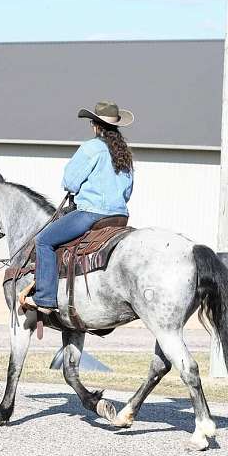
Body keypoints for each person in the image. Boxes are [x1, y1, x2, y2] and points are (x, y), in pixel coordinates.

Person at [25, 100, 135, 314]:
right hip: (120, 217)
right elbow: (128, 192)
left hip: (91, 214)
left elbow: (70, 182)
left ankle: (45, 299)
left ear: (95, 125)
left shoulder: (92, 148)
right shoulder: (124, 153)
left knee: (44, 241)